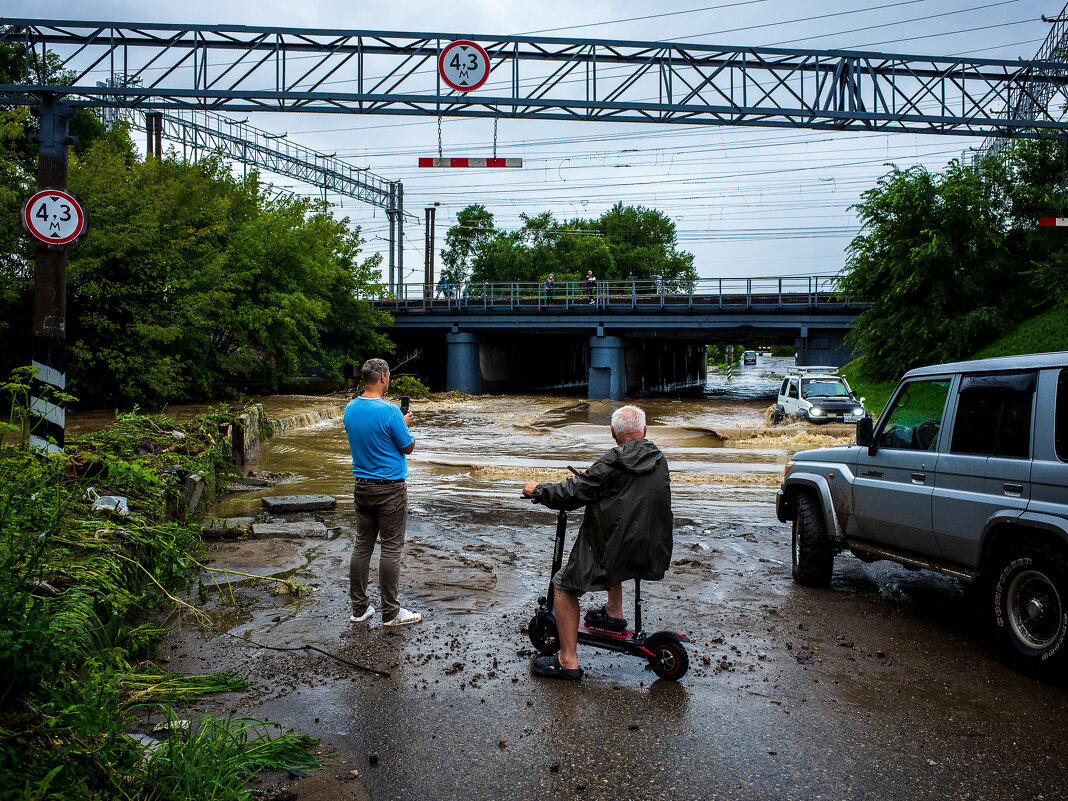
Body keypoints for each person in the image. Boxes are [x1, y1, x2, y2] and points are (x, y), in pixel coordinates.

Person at [522, 405, 673, 679]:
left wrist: (538, 490)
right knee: (616, 544)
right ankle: (613, 612)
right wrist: (592, 477)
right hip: (651, 546)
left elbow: (571, 495)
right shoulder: (658, 458)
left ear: (613, 432)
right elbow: (625, 489)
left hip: (616, 546)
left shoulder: (612, 461)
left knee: (562, 585)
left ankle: (567, 660)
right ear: (645, 430)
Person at [343, 358, 422, 627]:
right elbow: (407, 446)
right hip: (390, 489)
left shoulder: (350, 408)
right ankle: (391, 612)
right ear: (384, 377)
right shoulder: (390, 412)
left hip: (361, 486)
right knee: (390, 548)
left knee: (362, 545)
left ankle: (359, 609)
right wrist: (405, 424)